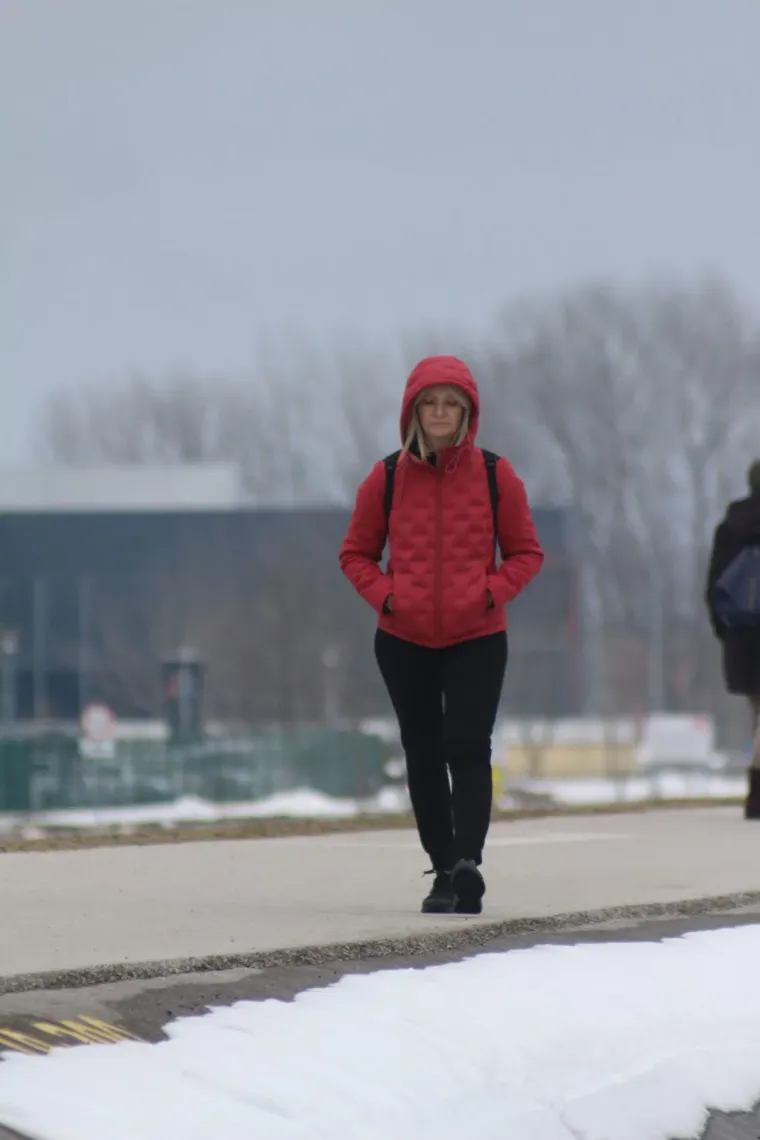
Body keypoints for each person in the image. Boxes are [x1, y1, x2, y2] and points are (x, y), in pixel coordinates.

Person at [339, 355, 544, 914]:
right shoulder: (385, 478)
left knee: (469, 745)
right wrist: (388, 597)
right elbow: (355, 554)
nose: (439, 412)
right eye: (429, 402)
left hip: (477, 634)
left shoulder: (497, 475)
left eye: (451, 404)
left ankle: (467, 862)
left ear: (467, 413)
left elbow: (526, 553)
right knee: (423, 752)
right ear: (412, 410)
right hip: (403, 639)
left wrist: (489, 593)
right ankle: (443, 870)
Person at [706, 459, 760, 818]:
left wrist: (725, 631)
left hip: (742, 635)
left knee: (757, 713)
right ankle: (757, 793)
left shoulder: (731, 527)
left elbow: (714, 587)